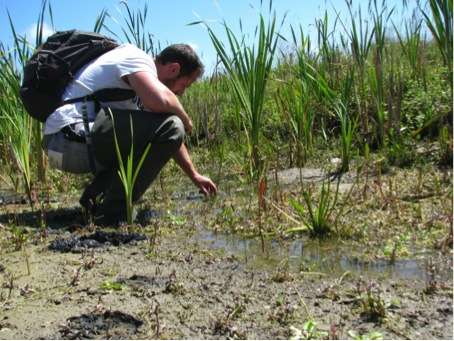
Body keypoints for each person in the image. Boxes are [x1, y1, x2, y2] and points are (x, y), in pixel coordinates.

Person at [41, 43, 218, 225]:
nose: (181, 93)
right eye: (185, 85)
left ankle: (95, 203)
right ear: (174, 69)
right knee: (173, 125)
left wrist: (194, 175)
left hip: (70, 143)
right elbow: (165, 109)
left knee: (160, 131)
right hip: (66, 138)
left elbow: (169, 137)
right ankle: (113, 214)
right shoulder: (137, 58)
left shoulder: (142, 89)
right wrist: (185, 119)